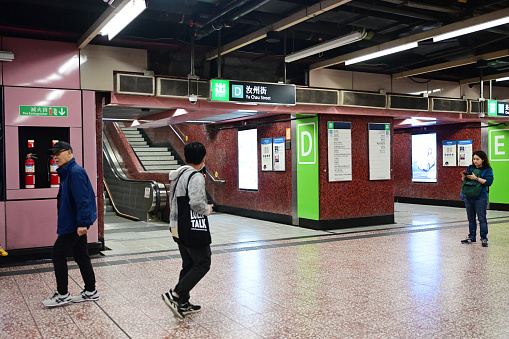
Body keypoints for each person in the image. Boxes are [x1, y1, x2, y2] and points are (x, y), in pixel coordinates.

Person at [42, 141, 99, 307]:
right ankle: (90, 291)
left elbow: (84, 200)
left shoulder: (75, 172)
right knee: (81, 255)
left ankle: (63, 294)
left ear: (69, 153)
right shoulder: (67, 173)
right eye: (53, 155)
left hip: (74, 224)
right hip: (73, 222)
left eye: (58, 153)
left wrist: (82, 223)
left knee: (57, 254)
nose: (55, 157)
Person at [162, 142, 213, 319]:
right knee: (203, 263)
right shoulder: (196, 176)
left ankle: (183, 301)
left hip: (177, 226)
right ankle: (175, 294)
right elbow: (197, 204)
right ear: (203, 158)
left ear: (185, 156)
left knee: (189, 263)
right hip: (192, 228)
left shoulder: (178, 175)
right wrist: (208, 210)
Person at [460, 150, 494, 247]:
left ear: (483, 159)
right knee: (471, 218)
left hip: (480, 197)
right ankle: (471, 236)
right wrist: (463, 176)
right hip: (469, 196)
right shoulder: (470, 167)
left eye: (477, 159)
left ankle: (484, 238)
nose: (475, 161)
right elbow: (463, 181)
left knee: (481, 218)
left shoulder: (487, 169)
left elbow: (488, 182)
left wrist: (475, 178)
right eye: (474, 159)